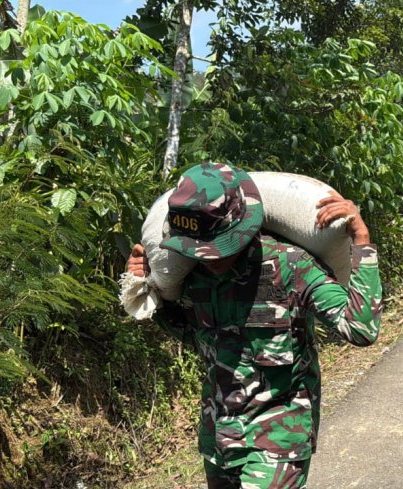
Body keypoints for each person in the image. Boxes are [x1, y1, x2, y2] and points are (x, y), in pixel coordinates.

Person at [126, 162, 382, 488]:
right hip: (219, 437)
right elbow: (191, 335)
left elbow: (360, 328)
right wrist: (144, 286)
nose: (211, 259)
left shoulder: (291, 266)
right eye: (200, 250)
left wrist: (361, 241)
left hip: (279, 432)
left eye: (219, 247)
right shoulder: (190, 276)